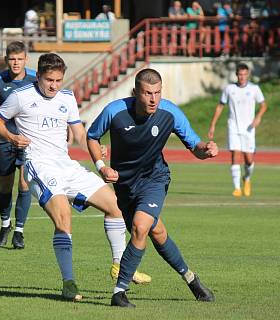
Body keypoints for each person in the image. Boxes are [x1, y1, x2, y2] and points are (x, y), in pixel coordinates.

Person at [0, 52, 130, 301]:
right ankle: (69, 283)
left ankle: (119, 266)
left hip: (66, 165)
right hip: (39, 166)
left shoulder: (67, 97)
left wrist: (98, 151)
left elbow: (78, 132)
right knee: (64, 218)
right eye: (49, 80)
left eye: (58, 80)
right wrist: (12, 138)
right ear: (39, 76)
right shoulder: (20, 96)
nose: (54, 86)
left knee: (115, 206)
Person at [87, 68, 217, 308]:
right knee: (157, 233)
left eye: (157, 93)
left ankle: (119, 292)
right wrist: (102, 167)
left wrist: (206, 151)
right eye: (147, 93)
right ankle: (191, 279)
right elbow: (92, 136)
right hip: (125, 187)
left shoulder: (170, 112)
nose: (153, 99)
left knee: (140, 227)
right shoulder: (114, 111)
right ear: (136, 92)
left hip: (154, 179)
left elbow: (194, 145)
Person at [0, 41, 36, 249]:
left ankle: (20, 232)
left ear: (26, 59)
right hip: (5, 139)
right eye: (12, 59)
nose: (16, 63)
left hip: (27, 140)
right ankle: (5, 225)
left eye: (19, 59)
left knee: (24, 185)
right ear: (6, 60)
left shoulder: (35, 79)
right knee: (5, 186)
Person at [208, 63, 267, 197]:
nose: (242, 77)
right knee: (235, 155)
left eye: (245, 74)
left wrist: (258, 118)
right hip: (233, 126)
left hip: (248, 129)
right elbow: (220, 106)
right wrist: (213, 124)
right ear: (236, 75)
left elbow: (263, 105)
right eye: (240, 74)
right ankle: (237, 188)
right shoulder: (229, 89)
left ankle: (246, 178)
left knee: (249, 160)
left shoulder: (254, 89)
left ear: (248, 75)